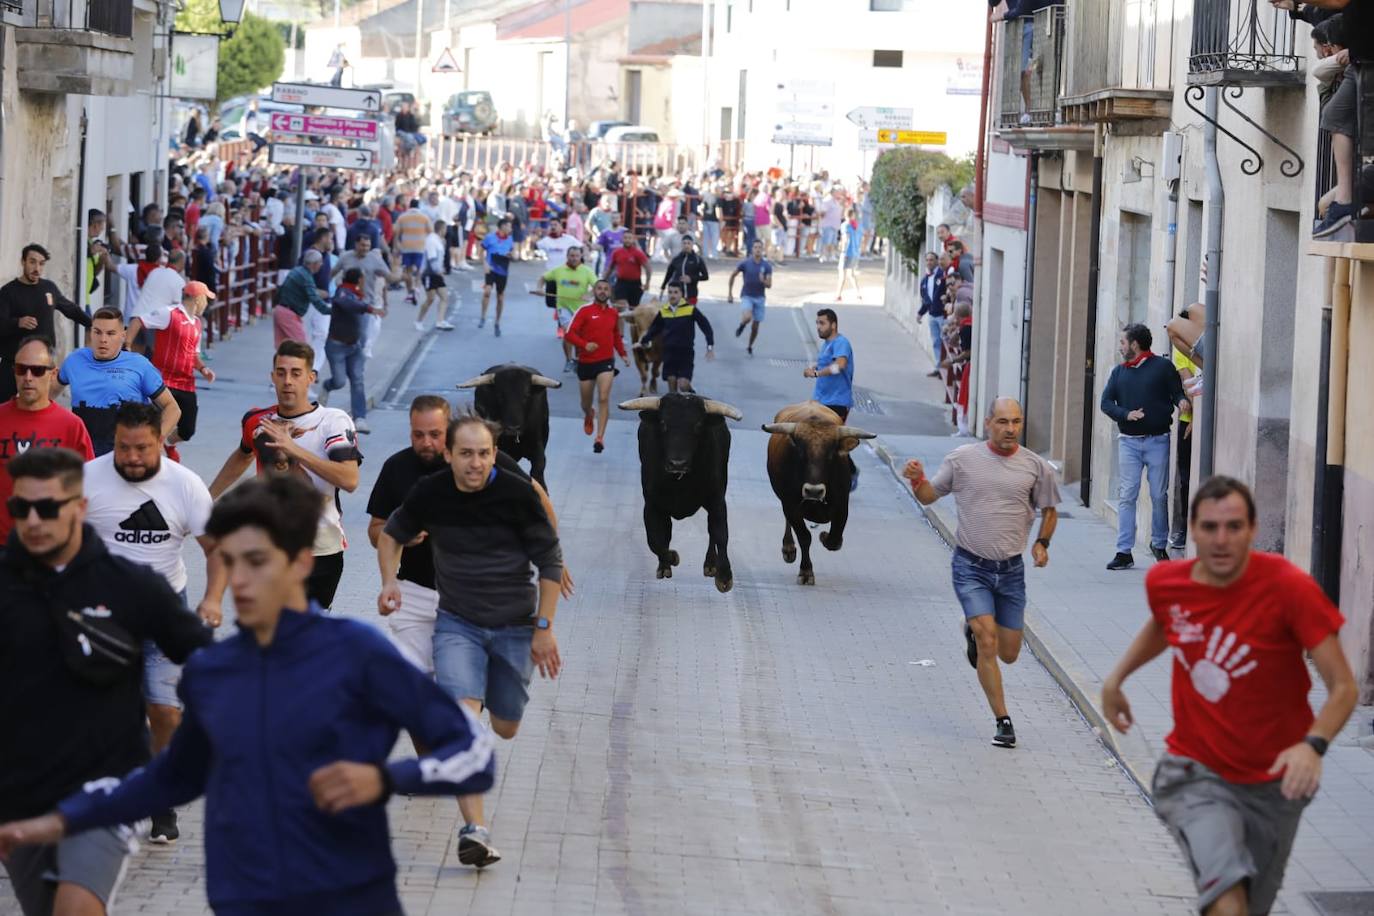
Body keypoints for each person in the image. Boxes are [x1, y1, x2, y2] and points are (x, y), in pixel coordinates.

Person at [0, 473, 495, 915]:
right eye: (230, 561)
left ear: (302, 561)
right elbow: (169, 779)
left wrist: (385, 777)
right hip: (241, 899)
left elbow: (474, 754)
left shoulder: (358, 654)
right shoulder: (212, 671)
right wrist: (56, 821)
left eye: (256, 561)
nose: (238, 580)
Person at [1101, 476, 1358, 916]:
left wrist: (1313, 747)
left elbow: (1344, 688)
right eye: (1210, 527)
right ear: (1193, 529)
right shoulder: (1166, 582)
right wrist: (1116, 679)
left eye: (1234, 527)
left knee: (1249, 907)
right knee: (1227, 902)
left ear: (1253, 530)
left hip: (1277, 784)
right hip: (1196, 774)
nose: (1221, 540)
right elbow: (1167, 623)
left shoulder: (1289, 588)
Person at [0, 446, 210, 916]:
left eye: (48, 507)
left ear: (80, 508)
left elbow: (204, 659)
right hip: (20, 793)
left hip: (107, 787)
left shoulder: (130, 585)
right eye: (21, 508)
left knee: (75, 909)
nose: (33, 520)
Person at [377, 413, 561, 869]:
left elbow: (550, 563)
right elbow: (390, 534)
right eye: (465, 454)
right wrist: (389, 582)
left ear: (493, 454)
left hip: (515, 627)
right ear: (448, 455)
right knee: (462, 725)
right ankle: (475, 830)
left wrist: (543, 628)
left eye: (483, 454)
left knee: (506, 726)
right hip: (457, 624)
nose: (475, 464)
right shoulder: (432, 492)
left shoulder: (517, 495)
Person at [82, 402, 222, 846]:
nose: (133, 457)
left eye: (142, 448)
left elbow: (215, 548)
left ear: (160, 441)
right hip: (104, 613)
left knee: (164, 710)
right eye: (124, 448)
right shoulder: (88, 479)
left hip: (165, 609)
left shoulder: (185, 486)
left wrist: (213, 598)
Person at [367, 396, 574, 673]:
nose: (427, 443)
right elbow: (377, 530)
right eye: (418, 435)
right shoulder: (397, 467)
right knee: (410, 683)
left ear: (450, 432)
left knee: (458, 686)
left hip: (471, 600)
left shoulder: (482, 459)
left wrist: (552, 554)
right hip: (415, 593)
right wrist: (399, 546)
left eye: (435, 435)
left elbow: (536, 496)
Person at [903, 398, 1060, 748]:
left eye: (1016, 422)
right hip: (971, 566)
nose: (1010, 429)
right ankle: (1003, 721)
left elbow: (1050, 510)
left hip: (1011, 571)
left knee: (1009, 653)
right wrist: (918, 480)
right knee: (988, 641)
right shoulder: (963, 460)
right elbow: (930, 496)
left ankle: (974, 633)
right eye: (1003, 421)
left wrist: (1042, 543)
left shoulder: (1035, 467)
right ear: (988, 422)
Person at [208, 340, 361, 610]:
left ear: (311, 378)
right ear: (272, 377)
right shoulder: (258, 421)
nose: (287, 381)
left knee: (305, 637)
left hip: (319, 548)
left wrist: (293, 449)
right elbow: (243, 454)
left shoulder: (332, 421)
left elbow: (349, 480)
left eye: (296, 373)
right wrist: (207, 498)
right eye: (281, 372)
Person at [1100, 322, 1190, 570]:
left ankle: (1159, 544)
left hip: (1157, 441)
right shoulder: (1119, 373)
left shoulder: (1163, 367)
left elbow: (1176, 393)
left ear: (1134, 344)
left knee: (1158, 495)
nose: (1120, 347)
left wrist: (1182, 401)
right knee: (1127, 496)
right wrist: (1126, 414)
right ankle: (1124, 551)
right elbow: (1106, 403)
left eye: (1122, 342)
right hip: (1128, 443)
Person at [0, 336, 94, 542]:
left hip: (51, 545)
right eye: (20, 369)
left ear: (53, 374)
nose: (28, 377)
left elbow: (87, 485)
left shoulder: (71, 426)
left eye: (37, 370)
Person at [58, 308, 180, 457]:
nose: (103, 339)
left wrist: (156, 439)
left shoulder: (139, 365)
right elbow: (49, 396)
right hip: (83, 455)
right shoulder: (74, 360)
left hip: (127, 456)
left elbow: (172, 408)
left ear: (123, 336)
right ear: (91, 333)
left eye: (110, 333)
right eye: (97, 332)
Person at [0, 245, 92, 401]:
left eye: (41, 264)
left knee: (40, 407)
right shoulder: (8, 292)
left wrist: (93, 324)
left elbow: (71, 309)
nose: (37, 268)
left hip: (42, 366)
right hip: (13, 365)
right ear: (22, 262)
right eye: (32, 262)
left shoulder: (48, 288)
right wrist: (18, 323)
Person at [138, 280, 216, 461]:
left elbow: (194, 354)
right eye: (206, 299)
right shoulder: (169, 313)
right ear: (197, 299)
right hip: (164, 381)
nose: (207, 303)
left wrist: (203, 368)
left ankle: (169, 443)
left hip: (187, 382)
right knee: (157, 423)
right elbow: (139, 321)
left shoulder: (197, 323)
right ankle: (150, 457)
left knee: (188, 430)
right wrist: (126, 344)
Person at [565, 279, 630, 453]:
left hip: (606, 362)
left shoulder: (613, 313)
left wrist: (623, 354)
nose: (602, 291)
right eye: (599, 288)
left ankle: (599, 438)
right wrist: (584, 345)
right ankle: (588, 414)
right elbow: (569, 334)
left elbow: (616, 335)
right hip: (586, 362)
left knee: (603, 397)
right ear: (594, 291)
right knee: (585, 403)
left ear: (610, 293)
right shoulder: (584, 311)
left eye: (606, 289)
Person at [321, 268, 383, 435]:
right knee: (339, 381)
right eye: (363, 278)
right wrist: (368, 308)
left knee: (358, 381)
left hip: (354, 347)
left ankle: (360, 418)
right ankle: (327, 386)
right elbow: (348, 305)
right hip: (337, 346)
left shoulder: (357, 294)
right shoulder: (343, 293)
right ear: (359, 279)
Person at [331, 232, 401, 360]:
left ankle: (355, 360)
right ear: (356, 244)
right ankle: (344, 359)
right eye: (362, 245)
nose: (365, 248)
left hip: (364, 303)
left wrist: (401, 275)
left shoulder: (375, 260)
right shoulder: (345, 257)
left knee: (362, 335)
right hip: (346, 303)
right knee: (342, 334)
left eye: (368, 246)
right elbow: (333, 272)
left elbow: (389, 278)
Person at [635, 281, 714, 393]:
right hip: (668, 353)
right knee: (672, 387)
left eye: (676, 292)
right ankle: (675, 409)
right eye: (670, 292)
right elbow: (654, 329)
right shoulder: (664, 311)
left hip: (685, 354)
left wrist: (710, 346)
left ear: (681, 294)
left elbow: (705, 326)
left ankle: (690, 392)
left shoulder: (690, 309)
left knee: (682, 385)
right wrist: (643, 341)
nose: (672, 295)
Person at [539, 245, 598, 373]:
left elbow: (597, 286)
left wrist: (589, 294)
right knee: (568, 333)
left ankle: (578, 359)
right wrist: (539, 289)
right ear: (567, 256)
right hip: (563, 307)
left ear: (581, 256)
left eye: (577, 256)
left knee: (579, 336)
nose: (574, 258)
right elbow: (543, 278)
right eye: (571, 256)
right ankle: (569, 360)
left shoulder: (587, 271)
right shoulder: (558, 270)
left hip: (581, 309)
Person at [1170, 342, 1199, 550]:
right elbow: (1189, 386)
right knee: (1186, 476)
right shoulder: (1180, 350)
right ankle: (1184, 529)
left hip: (1194, 420)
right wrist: (1193, 419)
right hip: (1187, 420)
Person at [276, 249, 330, 348]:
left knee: (284, 349)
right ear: (314, 264)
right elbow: (316, 301)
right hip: (289, 314)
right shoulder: (306, 277)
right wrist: (333, 311)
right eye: (320, 262)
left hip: (281, 310)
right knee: (301, 348)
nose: (321, 264)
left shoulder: (297, 271)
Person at [727, 239, 773, 356]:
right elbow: (733, 275)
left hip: (760, 298)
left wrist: (763, 281)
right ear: (752, 249)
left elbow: (769, 285)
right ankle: (742, 325)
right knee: (747, 317)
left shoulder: (766, 266)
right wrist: (730, 293)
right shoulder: (745, 263)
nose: (757, 250)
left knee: (755, 326)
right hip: (747, 295)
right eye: (755, 247)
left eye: (759, 248)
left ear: (762, 250)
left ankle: (750, 345)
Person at [417, 220, 455, 332]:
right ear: (441, 229)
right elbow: (432, 258)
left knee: (444, 297)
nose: (446, 232)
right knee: (430, 299)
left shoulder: (438, 240)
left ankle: (440, 321)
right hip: (429, 274)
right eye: (445, 229)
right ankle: (419, 321)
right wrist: (438, 270)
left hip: (436, 274)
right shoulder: (431, 240)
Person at [480, 217, 515, 335]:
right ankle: (483, 316)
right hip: (491, 268)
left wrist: (510, 255)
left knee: (500, 297)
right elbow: (481, 251)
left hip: (503, 271)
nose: (511, 228)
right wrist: (484, 263)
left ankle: (497, 322)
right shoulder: (490, 237)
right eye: (509, 226)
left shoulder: (510, 239)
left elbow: (512, 253)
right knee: (487, 292)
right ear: (503, 226)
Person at [394, 200, 432, 306]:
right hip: (420, 247)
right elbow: (430, 231)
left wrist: (396, 247)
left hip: (406, 247)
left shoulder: (402, 217)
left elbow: (397, 233)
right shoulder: (424, 217)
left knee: (408, 271)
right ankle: (417, 287)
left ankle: (409, 292)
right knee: (419, 269)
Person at [918, 251, 948, 377]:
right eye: (927, 260)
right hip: (932, 315)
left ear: (936, 261)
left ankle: (946, 369)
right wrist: (920, 313)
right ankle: (938, 367)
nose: (929, 262)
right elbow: (926, 300)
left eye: (932, 260)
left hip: (942, 315)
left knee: (945, 341)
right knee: (936, 341)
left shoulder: (942, 275)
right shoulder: (925, 280)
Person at [604, 232, 651, 310]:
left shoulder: (638, 253)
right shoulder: (616, 252)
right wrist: (604, 279)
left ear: (633, 240)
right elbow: (610, 268)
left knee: (634, 308)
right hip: (621, 283)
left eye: (629, 238)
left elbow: (648, 268)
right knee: (620, 305)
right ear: (622, 239)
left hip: (635, 284)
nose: (627, 240)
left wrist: (647, 282)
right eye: (625, 238)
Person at [660, 234, 709, 305]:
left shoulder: (698, 260)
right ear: (681, 245)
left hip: (691, 295)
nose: (686, 245)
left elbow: (705, 276)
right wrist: (663, 287)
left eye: (688, 243)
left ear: (692, 245)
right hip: (677, 296)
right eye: (684, 243)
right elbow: (668, 274)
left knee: (689, 315)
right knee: (675, 315)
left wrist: (691, 279)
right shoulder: (676, 259)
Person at [834, 208, 862, 301]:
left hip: (847, 252)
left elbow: (845, 239)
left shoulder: (845, 225)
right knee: (851, 274)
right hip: (855, 252)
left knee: (842, 274)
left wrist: (842, 250)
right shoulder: (857, 226)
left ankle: (838, 294)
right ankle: (858, 293)